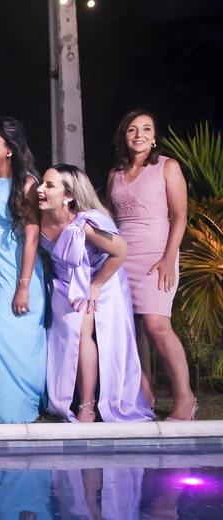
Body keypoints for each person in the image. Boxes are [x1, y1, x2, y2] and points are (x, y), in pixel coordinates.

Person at [38, 164, 153, 423]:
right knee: (63, 335)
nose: (39, 189)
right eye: (42, 183)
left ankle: (88, 406)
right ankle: (64, 397)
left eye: (49, 185)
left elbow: (120, 252)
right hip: (64, 282)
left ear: (69, 196)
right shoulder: (39, 215)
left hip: (101, 279)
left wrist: (96, 285)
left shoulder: (86, 225)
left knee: (81, 332)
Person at [106, 110, 195, 420]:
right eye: (132, 129)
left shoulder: (167, 167)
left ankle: (185, 398)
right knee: (129, 330)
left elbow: (180, 216)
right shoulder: (115, 173)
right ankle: (144, 394)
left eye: (146, 129)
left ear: (154, 137)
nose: (139, 134)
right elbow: (108, 217)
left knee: (157, 326)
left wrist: (170, 257)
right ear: (125, 136)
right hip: (121, 256)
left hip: (157, 253)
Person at [0, 117, 46, 424]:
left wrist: (23, 285)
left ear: (10, 148)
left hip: (17, 268)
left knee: (6, 334)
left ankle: (18, 406)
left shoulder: (28, 184)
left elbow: (32, 235)